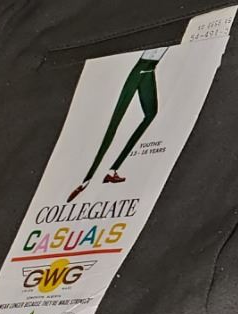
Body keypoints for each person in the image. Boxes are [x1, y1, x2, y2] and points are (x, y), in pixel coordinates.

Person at [67, 47, 166, 203]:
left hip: (149, 70)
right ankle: (86, 180)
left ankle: (112, 170)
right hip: (139, 71)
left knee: (151, 114)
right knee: (115, 122)